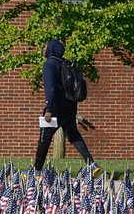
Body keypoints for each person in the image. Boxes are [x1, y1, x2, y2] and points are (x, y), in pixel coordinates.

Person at [35, 38, 97, 172]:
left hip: (55, 108)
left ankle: (37, 170)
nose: (43, 49)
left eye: (45, 46)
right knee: (74, 136)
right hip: (70, 106)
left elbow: (50, 89)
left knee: (44, 138)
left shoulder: (49, 65)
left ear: (51, 48)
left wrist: (49, 109)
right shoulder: (66, 64)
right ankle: (92, 165)